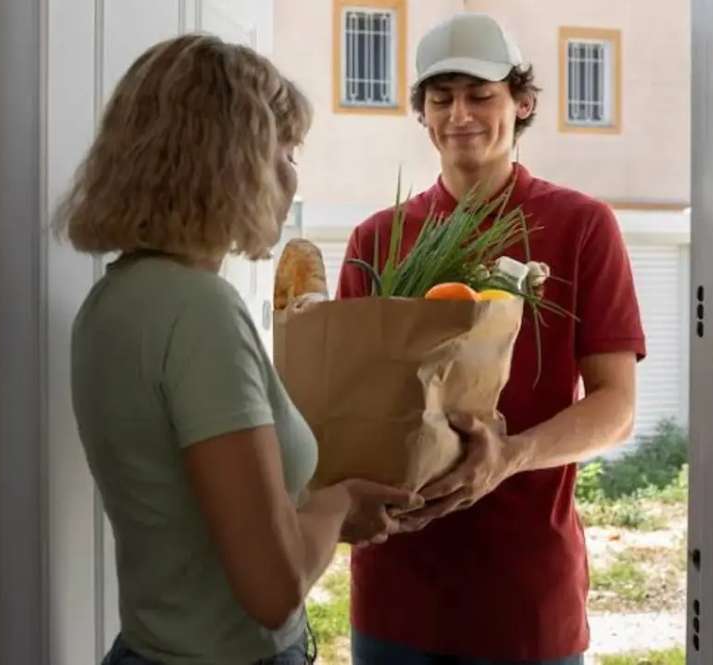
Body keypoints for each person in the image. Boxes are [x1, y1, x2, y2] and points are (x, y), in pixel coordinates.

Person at [55, 34, 421, 665]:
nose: (292, 175)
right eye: (286, 151)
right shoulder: (200, 312)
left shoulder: (110, 303)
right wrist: (338, 506)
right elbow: (273, 591)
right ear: (235, 162)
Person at [336, 13, 646, 665]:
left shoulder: (582, 225)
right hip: (396, 596)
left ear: (522, 102)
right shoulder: (375, 239)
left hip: (525, 597)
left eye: (481, 95)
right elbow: (345, 403)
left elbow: (616, 406)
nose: (460, 115)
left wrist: (509, 455)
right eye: (441, 98)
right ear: (422, 113)